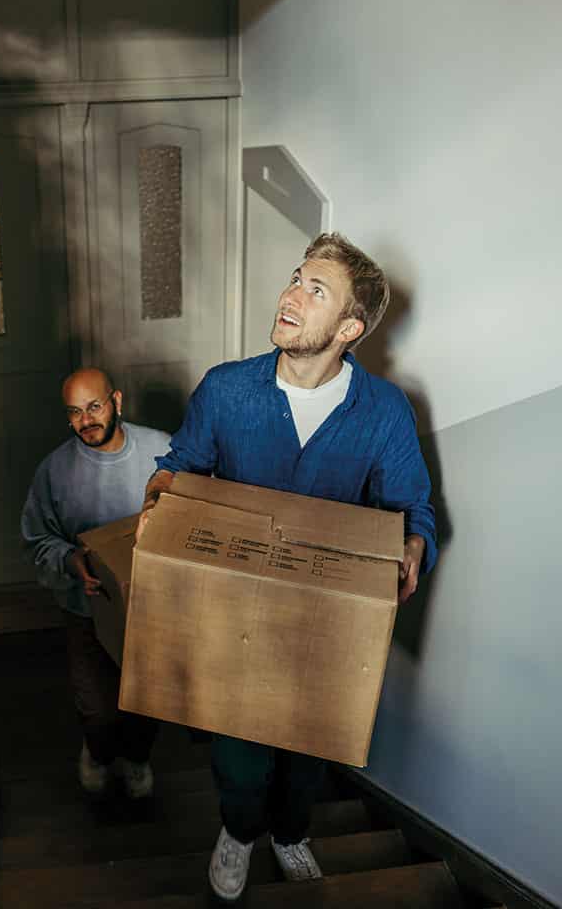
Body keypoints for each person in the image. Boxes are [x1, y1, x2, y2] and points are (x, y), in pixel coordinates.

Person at [139, 233, 438, 901]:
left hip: (325, 632)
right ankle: (239, 833)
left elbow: (412, 508)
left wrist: (415, 544)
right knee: (239, 758)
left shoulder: (384, 411)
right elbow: (181, 465)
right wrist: (163, 491)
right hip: (235, 621)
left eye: (316, 290)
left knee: (306, 759)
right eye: (296, 278)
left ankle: (291, 833)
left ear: (350, 328)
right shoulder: (225, 390)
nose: (290, 296)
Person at [22, 367, 172, 799]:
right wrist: (70, 561)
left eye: (94, 407)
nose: (86, 421)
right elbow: (35, 540)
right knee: (98, 707)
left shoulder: (162, 451)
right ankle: (99, 754)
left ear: (117, 402)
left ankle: (138, 759)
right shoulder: (54, 471)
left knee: (144, 701)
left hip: (151, 610)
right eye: (74, 413)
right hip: (85, 610)